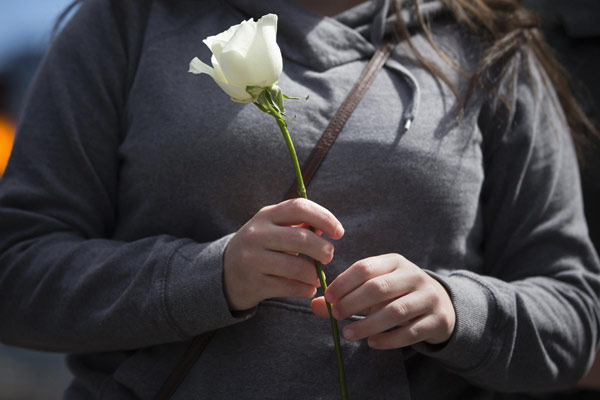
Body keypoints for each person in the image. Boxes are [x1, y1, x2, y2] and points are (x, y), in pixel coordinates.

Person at [0, 0, 599, 398]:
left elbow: (575, 316)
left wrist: (456, 309)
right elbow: (15, 272)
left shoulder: (488, 47)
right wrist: (208, 276)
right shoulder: (127, 23)